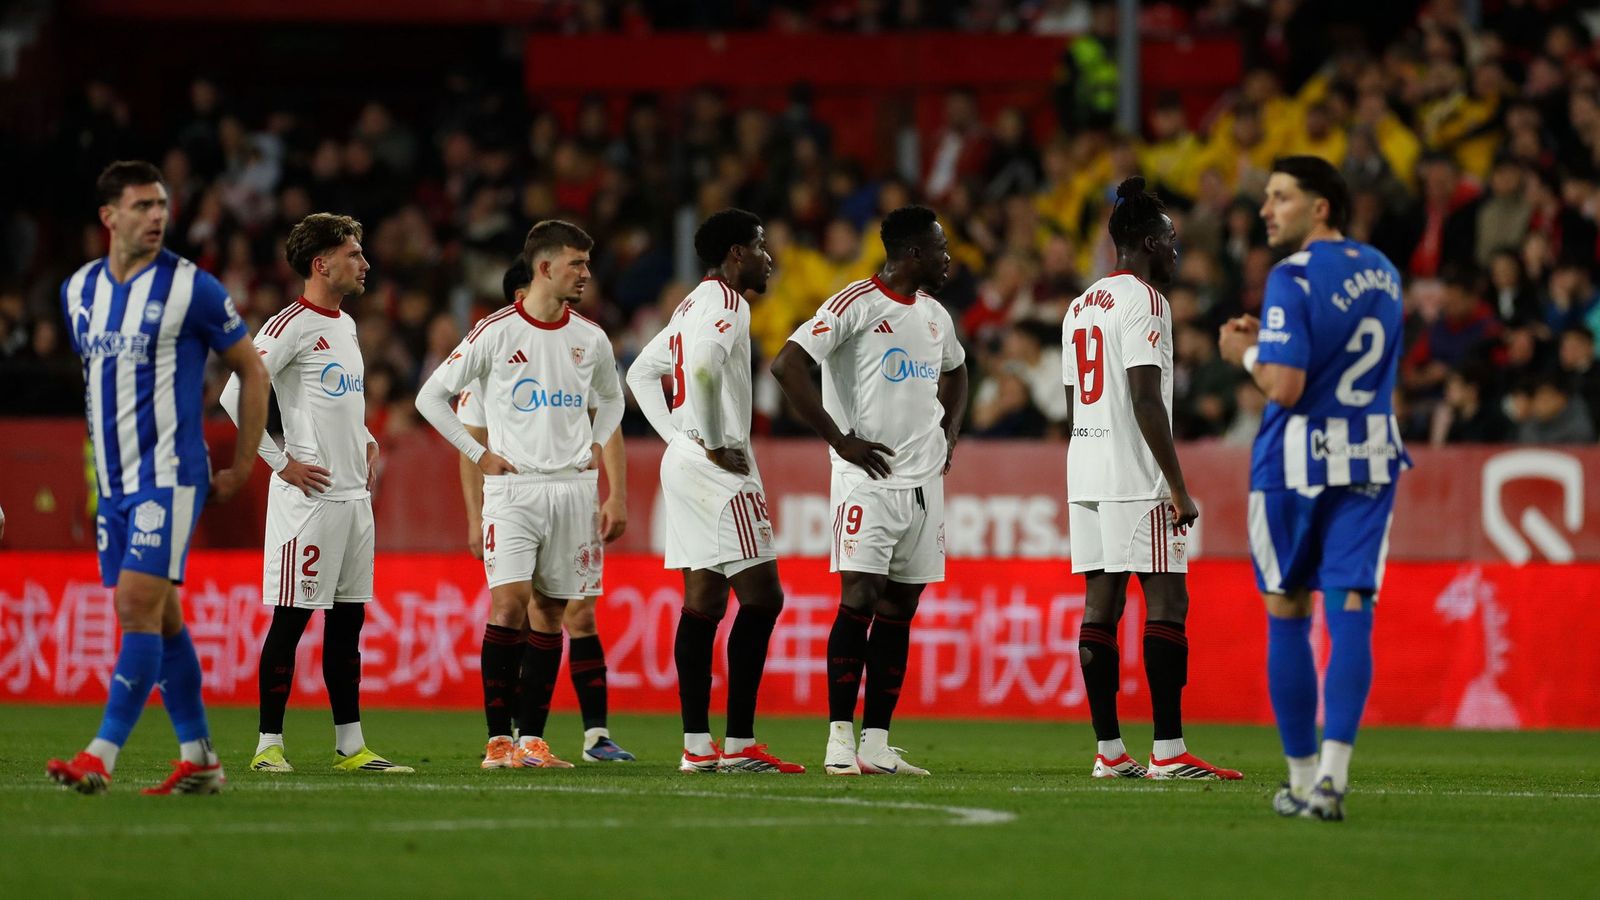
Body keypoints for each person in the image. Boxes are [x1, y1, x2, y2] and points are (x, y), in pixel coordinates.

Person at [47, 160, 271, 794]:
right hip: (112, 484)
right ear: (108, 216)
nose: (156, 217)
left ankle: (101, 755)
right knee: (163, 615)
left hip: (170, 475)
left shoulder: (192, 287)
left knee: (134, 605)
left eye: (162, 206)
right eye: (142, 206)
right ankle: (200, 757)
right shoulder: (78, 290)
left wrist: (243, 464)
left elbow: (251, 369)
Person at [1220, 156, 1412, 821]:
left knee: (1289, 612)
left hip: (1293, 467)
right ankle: (1333, 778)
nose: (1267, 210)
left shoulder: (1291, 275)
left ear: (1320, 207)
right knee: (1353, 605)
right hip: (1368, 458)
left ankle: (1299, 782)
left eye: (1280, 197)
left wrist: (1244, 355)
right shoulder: (1385, 271)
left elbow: (1287, 386)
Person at [416, 221, 624, 770]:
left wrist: (597, 446)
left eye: (587, 263)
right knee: (508, 605)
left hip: (573, 492)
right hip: (514, 490)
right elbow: (431, 397)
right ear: (545, 268)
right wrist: (480, 456)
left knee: (552, 615)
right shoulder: (495, 332)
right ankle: (496, 740)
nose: (586, 274)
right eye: (577, 263)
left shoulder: (591, 337)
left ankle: (531, 741)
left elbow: (614, 400)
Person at [769, 205, 968, 776]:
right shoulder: (855, 303)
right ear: (912, 253)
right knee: (859, 598)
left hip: (923, 483)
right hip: (867, 482)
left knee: (901, 608)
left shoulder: (935, 316)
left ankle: (876, 742)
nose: (947, 257)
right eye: (940, 247)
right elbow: (788, 365)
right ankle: (838, 740)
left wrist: (949, 433)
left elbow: (958, 371)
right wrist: (840, 439)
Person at [1058, 177, 1243, 782]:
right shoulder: (1146, 300)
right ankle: (1168, 749)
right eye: (1168, 239)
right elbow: (1144, 398)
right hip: (1135, 475)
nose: (1175, 251)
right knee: (1168, 599)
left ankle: (1109, 752)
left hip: (1085, 469)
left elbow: (1071, 400)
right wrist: (1178, 486)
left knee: (1101, 605)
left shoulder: (1080, 305)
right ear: (1142, 241)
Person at [220, 213, 412, 774]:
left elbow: (339, 402)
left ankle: (351, 747)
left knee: (348, 626)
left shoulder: (345, 326)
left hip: (354, 499)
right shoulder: (288, 326)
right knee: (291, 621)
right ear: (321, 264)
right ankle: (266, 746)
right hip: (310, 504)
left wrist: (368, 439)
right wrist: (281, 463)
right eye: (354, 253)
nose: (365, 262)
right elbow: (236, 394)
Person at [625, 208, 803, 774]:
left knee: (703, 603)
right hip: (718, 466)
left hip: (683, 463)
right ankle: (740, 745)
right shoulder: (728, 303)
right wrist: (706, 439)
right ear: (734, 254)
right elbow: (701, 368)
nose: (767, 258)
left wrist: (678, 437)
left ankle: (697, 747)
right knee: (764, 599)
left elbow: (640, 374)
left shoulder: (691, 303)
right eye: (759, 246)